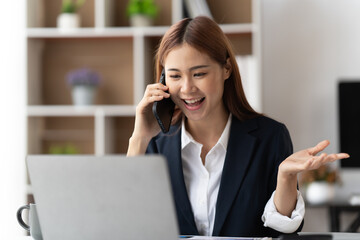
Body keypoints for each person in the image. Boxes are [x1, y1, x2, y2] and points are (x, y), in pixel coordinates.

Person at [127, 16, 349, 237]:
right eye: (175, 76)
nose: (187, 88)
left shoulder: (269, 137)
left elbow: (282, 231)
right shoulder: (154, 143)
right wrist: (139, 138)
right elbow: (126, 220)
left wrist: (285, 178)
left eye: (199, 74)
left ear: (226, 69)